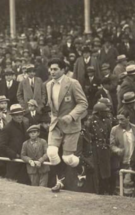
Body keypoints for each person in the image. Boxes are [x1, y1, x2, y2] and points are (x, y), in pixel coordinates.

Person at [46, 58, 88, 192]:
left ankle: (81, 167)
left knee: (68, 158)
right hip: (56, 124)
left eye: (55, 69)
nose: (52, 72)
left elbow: (83, 103)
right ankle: (60, 181)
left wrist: (71, 116)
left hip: (71, 125)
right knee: (51, 152)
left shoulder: (73, 83)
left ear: (63, 70)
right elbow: (54, 107)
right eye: (51, 69)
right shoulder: (48, 85)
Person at [0, 104, 30, 185]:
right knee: (12, 185)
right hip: (14, 163)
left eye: (21, 114)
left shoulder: (26, 125)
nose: (19, 116)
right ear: (12, 116)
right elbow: (1, 146)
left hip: (25, 163)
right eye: (17, 115)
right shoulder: (7, 128)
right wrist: (15, 155)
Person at [84, 103, 112, 194]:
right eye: (104, 112)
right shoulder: (90, 122)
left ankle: (105, 190)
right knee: (96, 172)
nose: (107, 113)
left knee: (105, 172)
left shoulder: (106, 121)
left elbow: (107, 135)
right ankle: (97, 190)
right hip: (95, 150)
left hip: (104, 150)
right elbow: (87, 136)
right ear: (99, 113)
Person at [110, 110, 135, 196]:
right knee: (120, 182)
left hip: (133, 161)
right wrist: (117, 150)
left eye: (122, 119)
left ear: (128, 118)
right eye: (118, 120)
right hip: (121, 161)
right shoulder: (114, 129)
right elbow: (111, 145)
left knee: (130, 183)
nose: (120, 122)